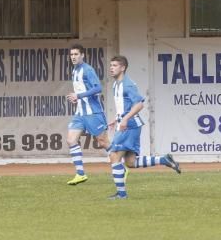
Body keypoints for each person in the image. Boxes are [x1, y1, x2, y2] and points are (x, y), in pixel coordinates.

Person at [105, 55, 180, 200]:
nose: (111, 68)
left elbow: (139, 104)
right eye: (111, 65)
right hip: (127, 124)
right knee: (130, 162)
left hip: (130, 126)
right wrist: (117, 119)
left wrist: (125, 119)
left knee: (114, 156)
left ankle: (121, 195)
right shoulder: (116, 84)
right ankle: (163, 160)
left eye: (114, 65)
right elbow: (124, 107)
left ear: (123, 68)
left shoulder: (128, 84)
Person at [65, 44, 108, 185]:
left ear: (82, 55)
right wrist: (76, 99)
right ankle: (80, 174)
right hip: (80, 112)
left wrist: (79, 95)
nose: (73, 57)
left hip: (92, 112)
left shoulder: (88, 70)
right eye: (71, 54)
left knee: (103, 143)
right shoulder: (75, 70)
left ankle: (120, 166)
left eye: (76, 54)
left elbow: (98, 88)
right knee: (71, 140)